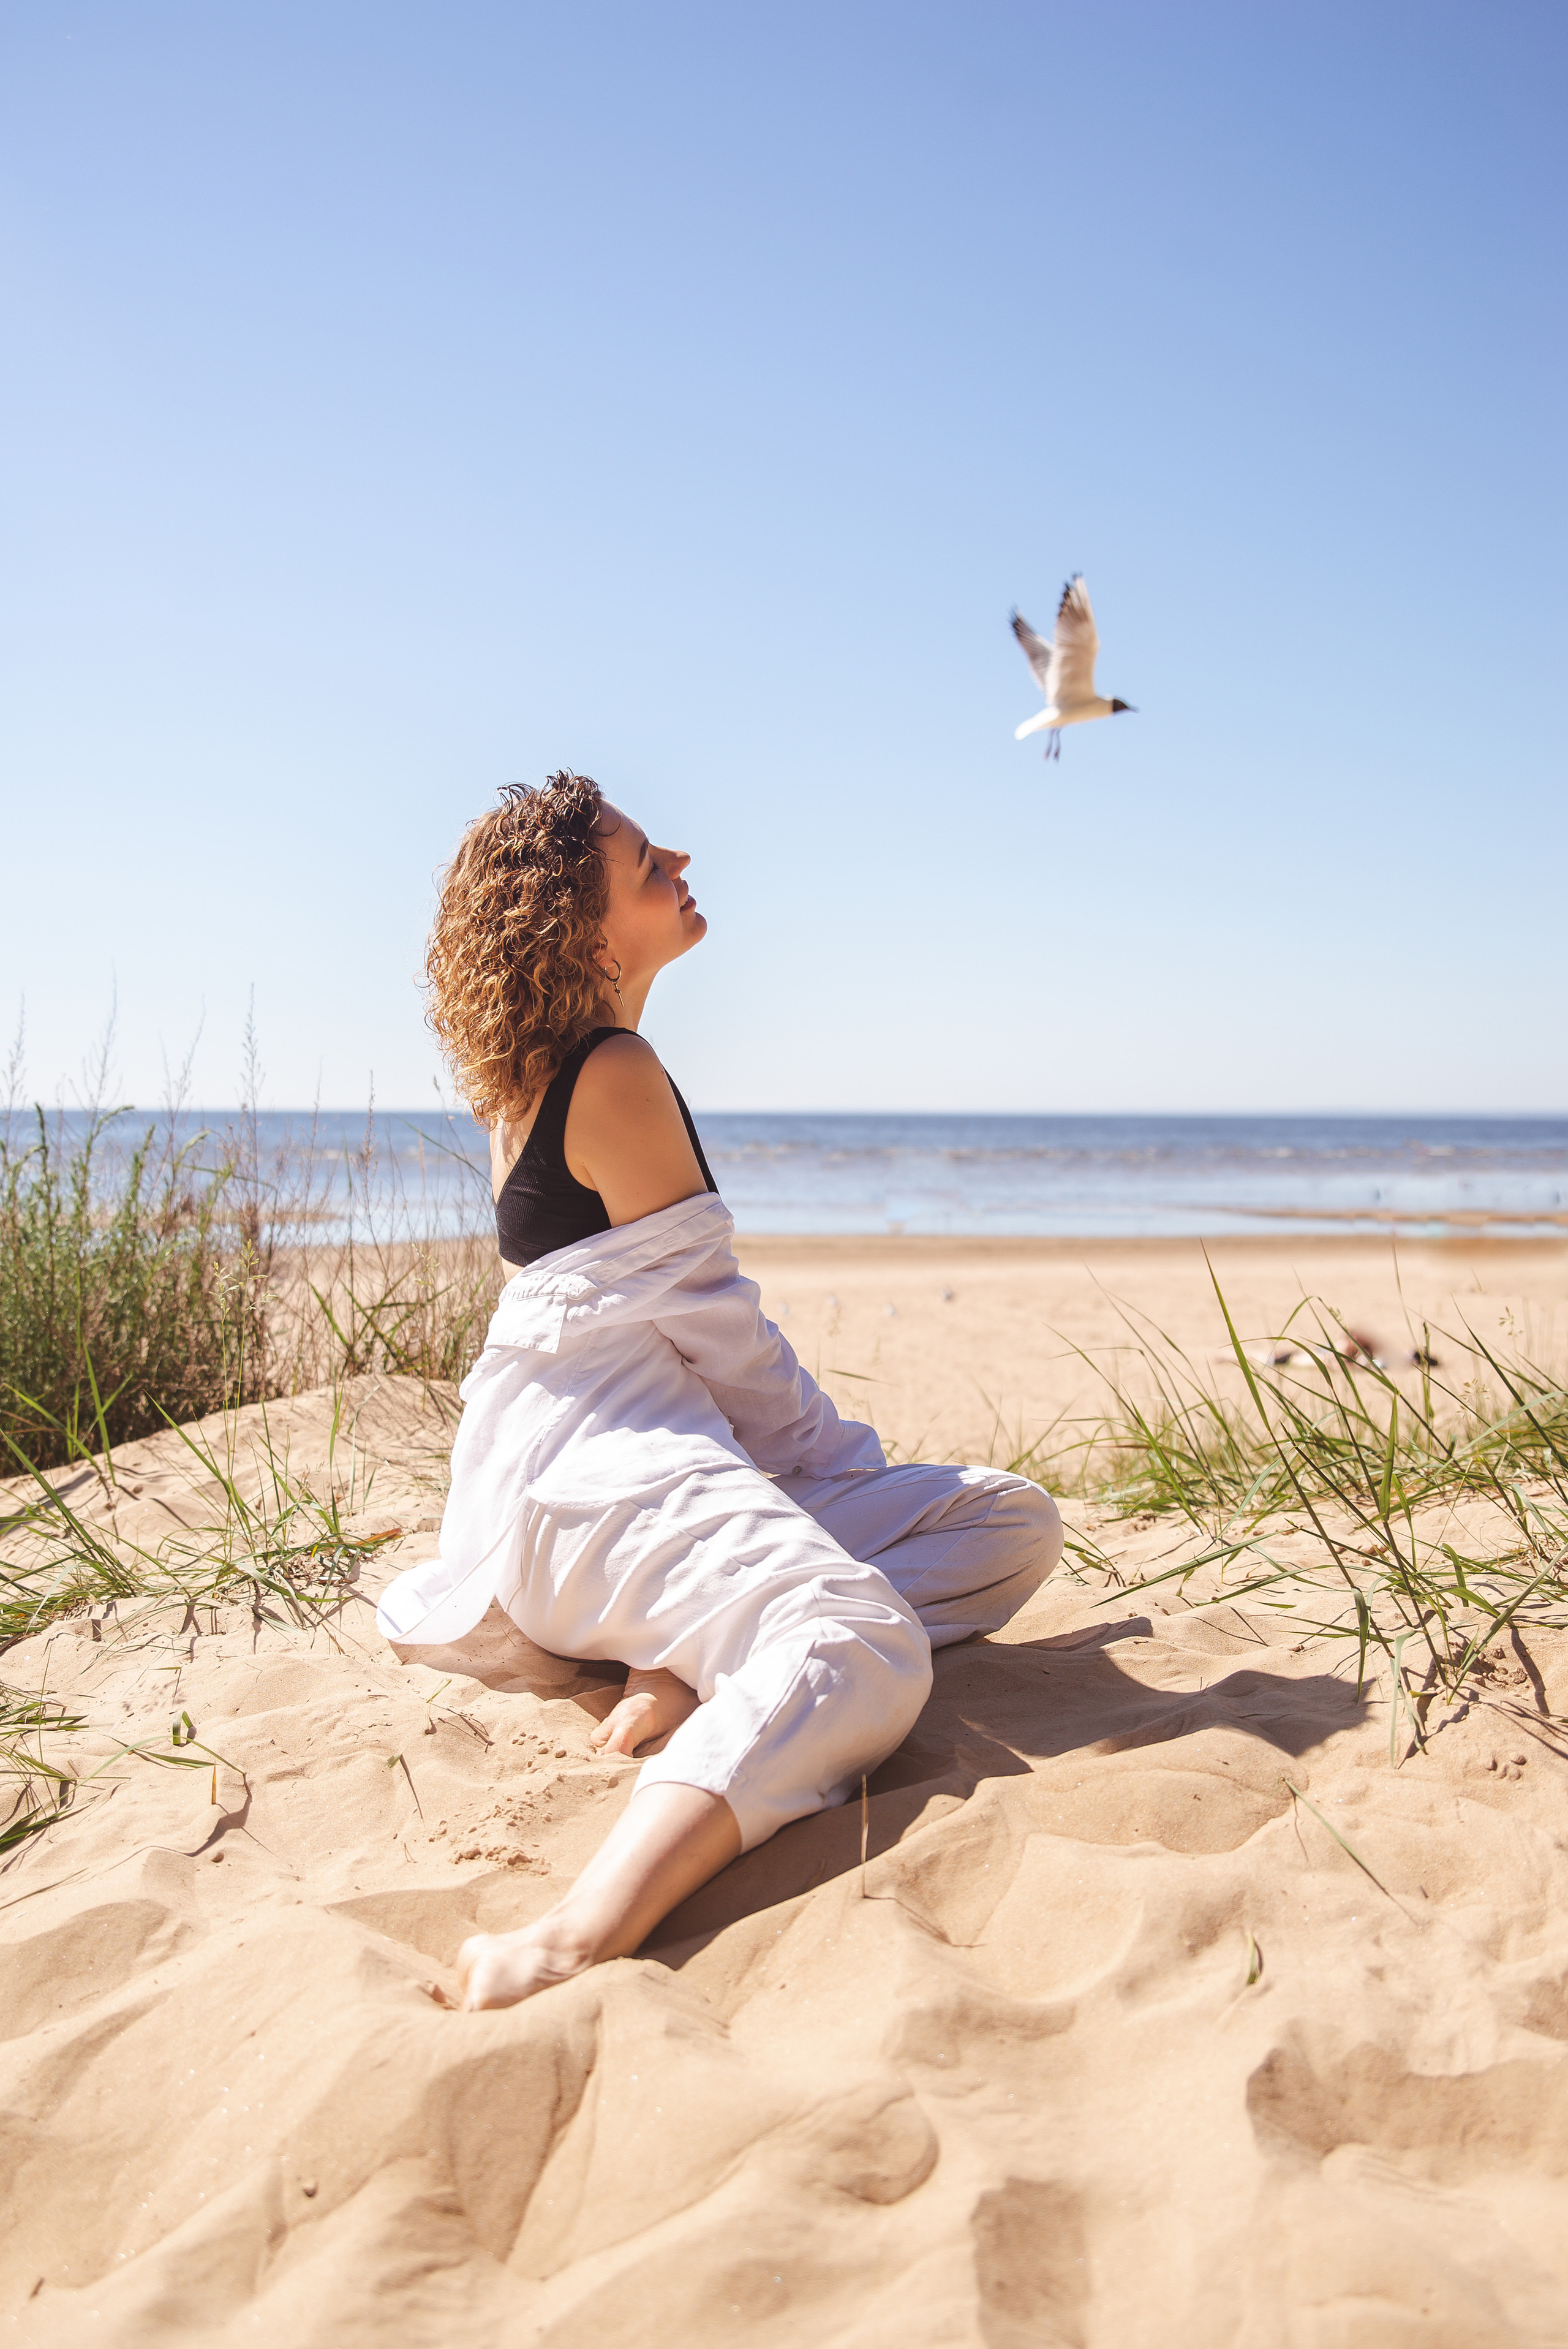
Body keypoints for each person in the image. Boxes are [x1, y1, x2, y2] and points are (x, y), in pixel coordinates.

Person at [377, 771, 1063, 2008]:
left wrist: (845, 1481)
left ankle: (684, 1662)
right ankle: (578, 1932)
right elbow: (722, 1336)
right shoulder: (612, 1071)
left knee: (1004, 1521)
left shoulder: (536, 1077)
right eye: (645, 860)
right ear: (587, 933)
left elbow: (674, 1331)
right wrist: (842, 1465)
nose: (679, 857)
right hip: (595, 1487)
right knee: (853, 1643)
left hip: (597, 1480)